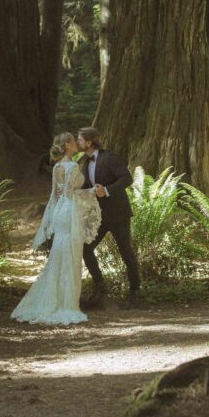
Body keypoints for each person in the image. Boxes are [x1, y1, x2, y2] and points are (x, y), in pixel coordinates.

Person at [11, 132, 101, 325]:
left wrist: (49, 220)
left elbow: (55, 196)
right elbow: (71, 194)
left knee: (59, 256)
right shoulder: (72, 166)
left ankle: (53, 299)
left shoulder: (57, 167)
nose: (76, 144)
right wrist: (92, 191)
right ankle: (66, 304)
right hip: (69, 213)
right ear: (67, 146)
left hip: (60, 212)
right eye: (72, 141)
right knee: (70, 256)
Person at [76, 127, 141, 306]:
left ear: (89, 142)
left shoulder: (110, 158)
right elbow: (87, 188)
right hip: (99, 217)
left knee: (126, 253)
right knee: (85, 248)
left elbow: (127, 178)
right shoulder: (85, 162)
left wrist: (106, 190)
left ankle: (135, 293)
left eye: (80, 140)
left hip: (118, 214)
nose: (77, 142)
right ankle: (100, 289)